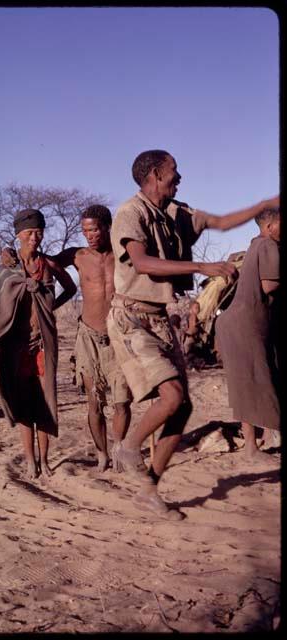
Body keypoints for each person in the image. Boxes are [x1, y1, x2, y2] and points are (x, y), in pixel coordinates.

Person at [107, 148, 279, 520]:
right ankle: (129, 446)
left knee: (182, 405)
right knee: (171, 396)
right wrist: (202, 265)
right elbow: (142, 262)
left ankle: (150, 489)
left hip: (158, 318)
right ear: (154, 174)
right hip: (131, 317)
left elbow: (219, 220)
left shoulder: (175, 212)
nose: (179, 176)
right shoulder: (130, 213)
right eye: (173, 171)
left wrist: (263, 203)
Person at [2, 205, 133, 472]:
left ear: (108, 227)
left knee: (122, 401)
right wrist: (8, 253)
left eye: (94, 229)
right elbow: (39, 261)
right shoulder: (77, 255)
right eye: (85, 231)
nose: (90, 236)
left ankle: (119, 447)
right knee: (94, 402)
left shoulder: (124, 254)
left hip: (119, 333)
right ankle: (102, 456)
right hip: (87, 335)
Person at [0, 208, 77, 479]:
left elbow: (70, 288)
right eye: (29, 233)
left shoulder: (48, 264)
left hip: (44, 344)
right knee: (25, 406)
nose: (35, 237)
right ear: (19, 235)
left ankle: (45, 460)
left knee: (45, 403)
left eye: (39, 232)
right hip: (18, 347)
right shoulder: (7, 268)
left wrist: (50, 309)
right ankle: (29, 461)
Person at [215, 207, 280, 462]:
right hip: (245, 325)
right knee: (252, 382)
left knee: (254, 381)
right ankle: (252, 448)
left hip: (242, 324)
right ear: (269, 226)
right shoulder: (267, 245)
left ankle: (261, 441)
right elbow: (269, 284)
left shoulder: (258, 245)